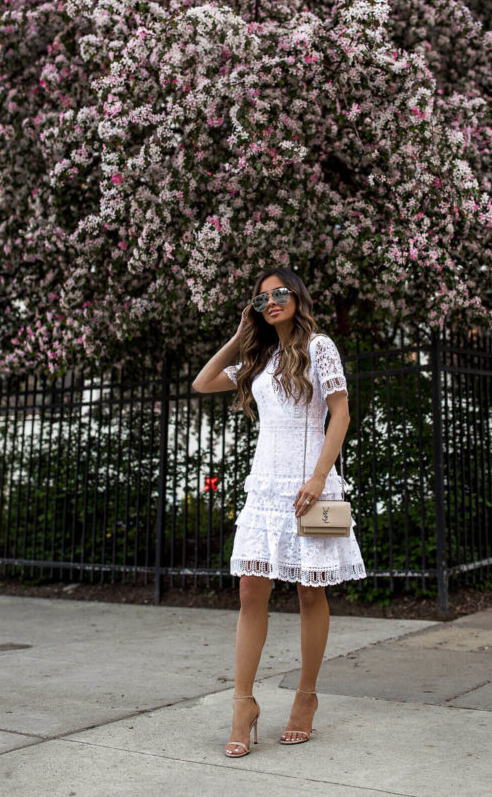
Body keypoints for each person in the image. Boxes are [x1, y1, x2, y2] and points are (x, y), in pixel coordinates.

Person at [191, 265, 366, 757]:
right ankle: (242, 705)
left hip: (316, 490)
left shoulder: (320, 345)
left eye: (281, 293)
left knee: (312, 594)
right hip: (265, 492)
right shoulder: (259, 357)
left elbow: (342, 412)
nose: (272, 302)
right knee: (250, 591)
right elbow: (203, 383)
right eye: (261, 298)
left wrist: (316, 478)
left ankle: (306, 697)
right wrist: (239, 332)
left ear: (298, 296)